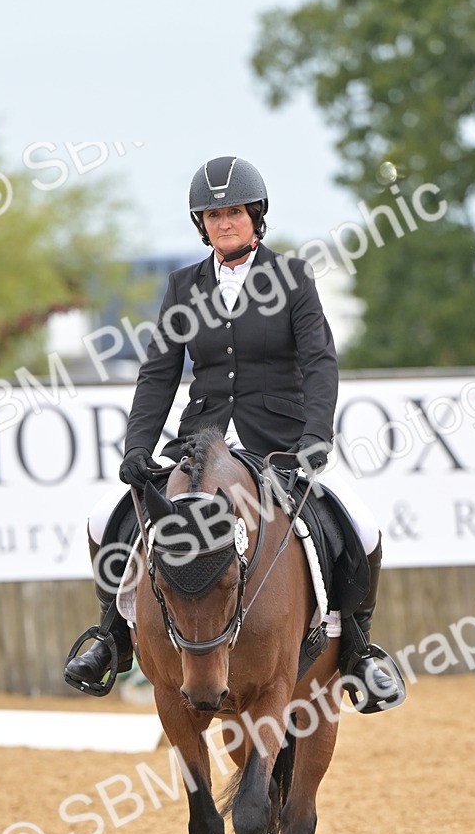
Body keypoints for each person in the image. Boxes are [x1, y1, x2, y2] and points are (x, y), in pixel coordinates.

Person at [64, 155, 401, 709]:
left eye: (235, 213)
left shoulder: (292, 278)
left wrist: (315, 438)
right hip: (202, 445)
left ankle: (359, 650)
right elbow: (159, 372)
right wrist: (138, 447)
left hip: (280, 446)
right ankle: (112, 637)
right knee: (105, 518)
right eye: (214, 215)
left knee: (361, 528)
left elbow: (319, 361)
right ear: (202, 224)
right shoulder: (183, 286)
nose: (225, 223)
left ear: (256, 216)